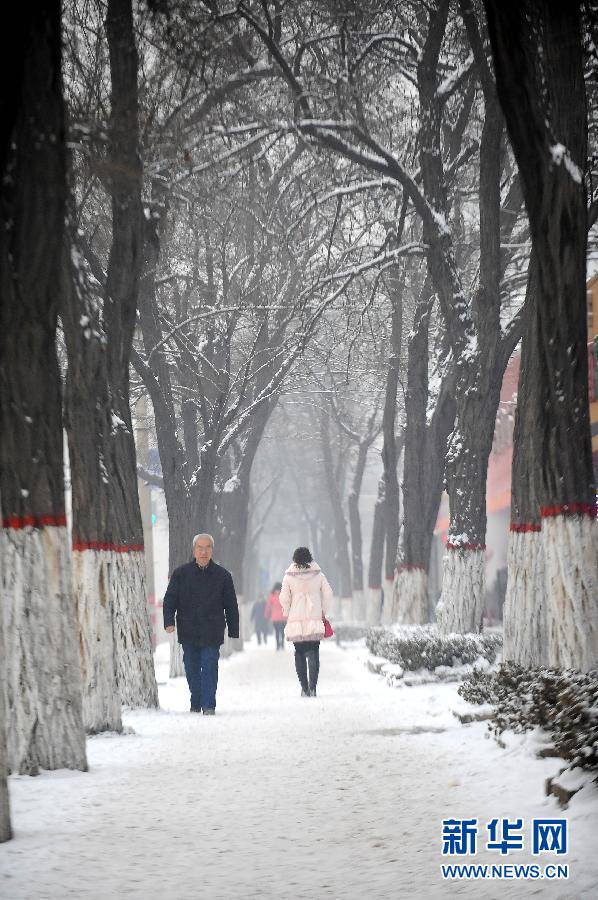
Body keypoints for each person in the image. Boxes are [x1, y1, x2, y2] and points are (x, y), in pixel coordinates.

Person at [163, 533, 239, 715]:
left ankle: (209, 704)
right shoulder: (181, 574)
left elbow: (231, 604)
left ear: (212, 551)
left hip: (212, 630)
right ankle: (196, 699)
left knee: (210, 665)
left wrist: (233, 629)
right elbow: (170, 599)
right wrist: (168, 621)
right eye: (200, 548)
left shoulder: (223, 575)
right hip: (188, 629)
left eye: (207, 548)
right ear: (194, 550)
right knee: (191, 667)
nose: (204, 552)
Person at [279, 547, 333, 697]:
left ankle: (304, 688)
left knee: (299, 653)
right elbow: (328, 593)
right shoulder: (318, 574)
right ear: (310, 558)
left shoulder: (289, 576)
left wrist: (287, 612)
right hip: (314, 619)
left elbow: (284, 598)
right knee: (314, 652)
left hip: (296, 621)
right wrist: (323, 610)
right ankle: (313, 687)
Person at [264, 581, 285, 650]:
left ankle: (277, 645)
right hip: (283, 617)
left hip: (275, 617)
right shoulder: (284, 594)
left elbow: (268, 606)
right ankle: (282, 644)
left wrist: (266, 614)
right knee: (282, 631)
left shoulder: (272, 594)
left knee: (276, 631)